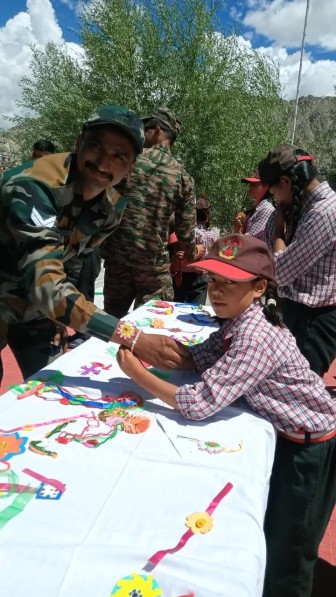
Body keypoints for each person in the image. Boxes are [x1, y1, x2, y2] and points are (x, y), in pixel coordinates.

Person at [117, 233, 336, 597]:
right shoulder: (238, 319)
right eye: (214, 281)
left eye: (229, 283)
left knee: (290, 556)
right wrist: (151, 349)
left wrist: (138, 375)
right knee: (274, 532)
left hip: (310, 450)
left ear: (258, 287)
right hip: (292, 440)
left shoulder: (255, 336)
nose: (216, 292)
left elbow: (199, 404)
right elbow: (199, 356)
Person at [0, 104, 186, 382]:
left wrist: (60, 317)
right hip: (21, 296)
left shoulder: (111, 209)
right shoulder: (34, 187)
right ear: (79, 142)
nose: (102, 162)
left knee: (51, 388)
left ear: (132, 166)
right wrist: (132, 338)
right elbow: (47, 286)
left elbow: (68, 266)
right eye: (96, 146)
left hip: (34, 314)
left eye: (118, 155)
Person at [101, 107, 196, 319]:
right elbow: (185, 231)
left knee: (111, 323)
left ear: (158, 130)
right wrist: (191, 253)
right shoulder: (183, 177)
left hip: (118, 261)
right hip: (153, 267)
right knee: (152, 324)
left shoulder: (128, 161)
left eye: (145, 129)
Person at [258, 144, 336, 376]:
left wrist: (279, 233)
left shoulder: (324, 211)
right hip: (296, 311)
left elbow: (279, 272)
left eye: (272, 191)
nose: (273, 199)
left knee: (297, 390)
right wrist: (279, 219)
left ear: (286, 181)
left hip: (312, 321)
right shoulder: (302, 206)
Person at [171, 194, 219, 304]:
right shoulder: (212, 235)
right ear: (207, 215)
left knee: (177, 307)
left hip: (182, 275)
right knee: (196, 311)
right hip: (201, 276)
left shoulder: (186, 232)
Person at [233, 170, 274, 241]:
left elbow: (250, 240)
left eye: (254, 184)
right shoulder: (256, 210)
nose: (249, 187)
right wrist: (237, 229)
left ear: (265, 187)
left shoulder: (266, 209)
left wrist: (238, 233)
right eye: (249, 184)